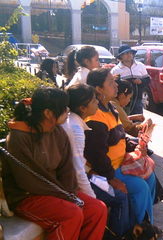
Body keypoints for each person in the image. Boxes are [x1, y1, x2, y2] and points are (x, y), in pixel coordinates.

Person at [2, 87, 107, 240]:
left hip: (57, 192)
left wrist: (70, 193)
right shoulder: (19, 137)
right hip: (27, 196)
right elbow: (29, 181)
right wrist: (65, 197)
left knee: (97, 209)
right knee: (70, 215)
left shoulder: (58, 132)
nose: (68, 111)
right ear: (48, 113)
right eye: (64, 108)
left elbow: (67, 170)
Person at [84, 68, 157, 229]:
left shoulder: (110, 107)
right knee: (140, 188)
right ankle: (136, 230)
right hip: (107, 170)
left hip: (121, 162)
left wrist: (136, 145)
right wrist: (112, 178)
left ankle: (145, 222)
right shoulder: (95, 116)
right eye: (110, 82)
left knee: (151, 177)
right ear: (98, 89)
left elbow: (119, 136)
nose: (116, 85)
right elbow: (97, 155)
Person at [62, 84, 130, 238]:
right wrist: (92, 198)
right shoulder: (76, 129)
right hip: (73, 183)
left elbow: (78, 163)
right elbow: (78, 171)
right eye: (93, 101)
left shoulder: (73, 121)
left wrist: (92, 173)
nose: (97, 103)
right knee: (119, 197)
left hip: (85, 175)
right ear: (83, 108)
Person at [111, 45, 151, 115]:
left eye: (130, 53)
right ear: (121, 57)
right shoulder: (115, 70)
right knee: (124, 121)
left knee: (138, 120)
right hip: (122, 101)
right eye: (126, 53)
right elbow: (113, 85)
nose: (129, 55)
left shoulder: (140, 66)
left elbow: (147, 80)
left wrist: (141, 81)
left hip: (137, 99)